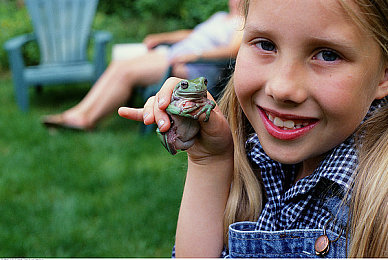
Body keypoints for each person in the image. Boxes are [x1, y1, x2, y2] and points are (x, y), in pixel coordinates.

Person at [118, 0, 388, 258]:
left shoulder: (379, 204)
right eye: (266, 44)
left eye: (328, 55)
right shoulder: (252, 157)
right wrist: (210, 162)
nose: (282, 88)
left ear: (383, 73)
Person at [42, 0, 242, 131]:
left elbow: (233, 50)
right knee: (121, 65)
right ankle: (80, 112)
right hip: (176, 55)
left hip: (192, 67)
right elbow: (192, 34)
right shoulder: (220, 17)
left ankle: (86, 119)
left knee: (126, 72)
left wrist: (194, 55)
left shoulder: (242, 22)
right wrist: (162, 37)